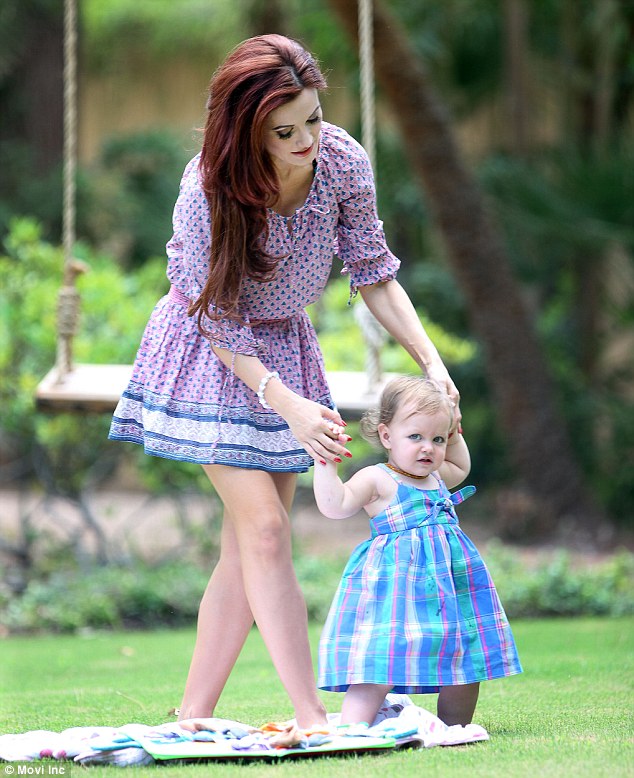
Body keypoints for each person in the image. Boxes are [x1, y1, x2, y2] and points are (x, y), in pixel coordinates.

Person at [108, 34, 460, 729]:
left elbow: (374, 270)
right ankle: (313, 715)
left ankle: (192, 715)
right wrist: (288, 404)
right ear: (246, 131)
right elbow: (214, 317)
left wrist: (430, 361)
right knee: (267, 530)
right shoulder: (207, 187)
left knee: (246, 547)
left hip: (286, 349)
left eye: (314, 120)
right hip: (212, 353)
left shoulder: (342, 161)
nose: (307, 141)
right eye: (285, 131)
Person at [314, 376, 522, 727]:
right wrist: (326, 463)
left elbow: (462, 466)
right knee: (379, 661)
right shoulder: (378, 478)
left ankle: (455, 729)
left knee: (463, 657)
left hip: (449, 589)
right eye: (415, 437)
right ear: (386, 436)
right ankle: (352, 729)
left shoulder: (438, 476)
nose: (428, 448)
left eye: (438, 439)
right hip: (396, 592)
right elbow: (336, 506)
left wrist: (453, 426)